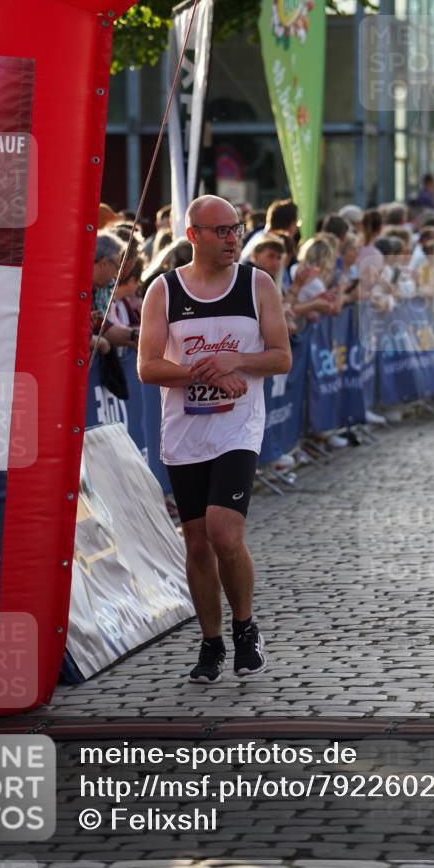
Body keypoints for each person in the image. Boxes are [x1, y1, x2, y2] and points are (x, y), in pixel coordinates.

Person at [138, 195, 292, 684]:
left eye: (237, 228)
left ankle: (245, 628)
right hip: (185, 431)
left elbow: (281, 356)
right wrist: (198, 372)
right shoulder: (163, 290)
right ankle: (211, 642)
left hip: (237, 428)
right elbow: (147, 366)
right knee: (199, 544)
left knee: (225, 532)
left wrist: (236, 361)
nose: (233, 238)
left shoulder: (256, 284)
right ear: (193, 236)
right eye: (222, 230)